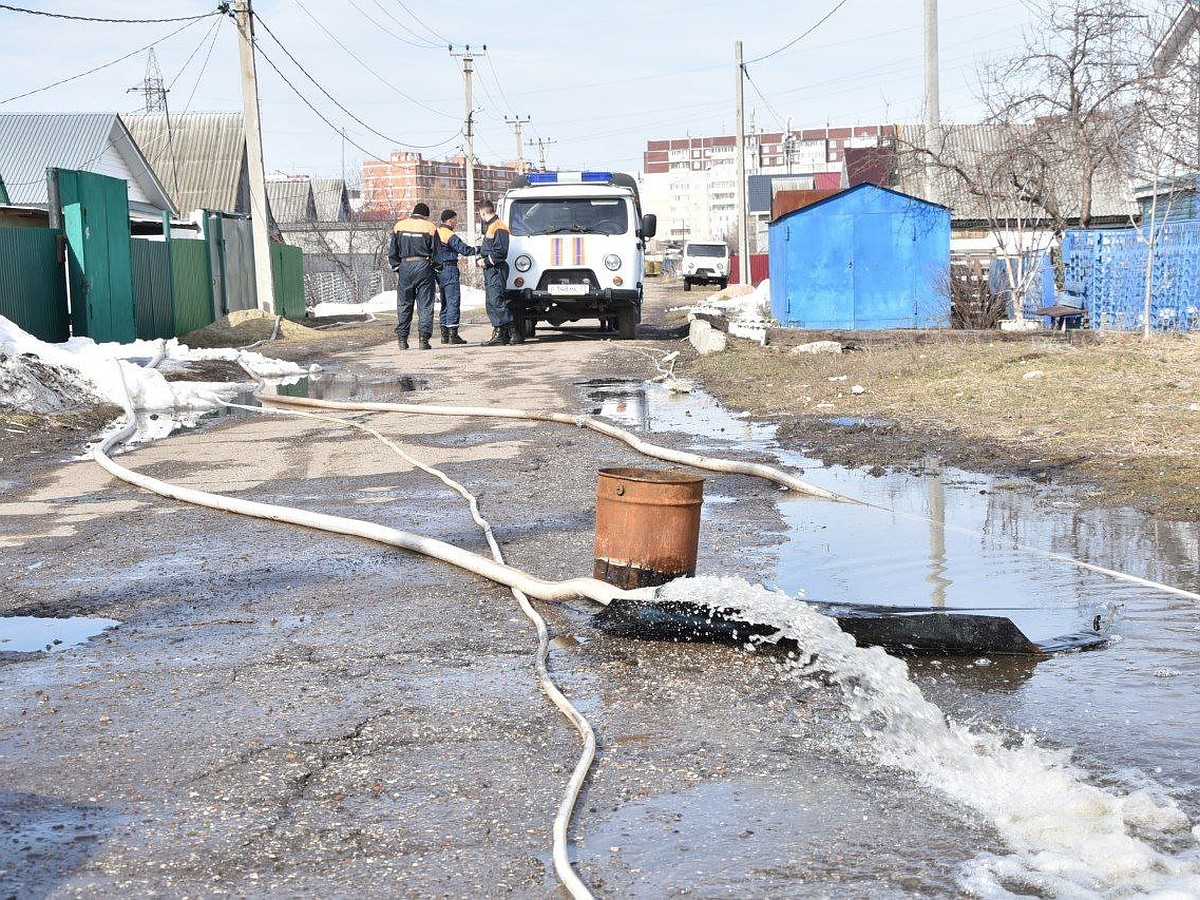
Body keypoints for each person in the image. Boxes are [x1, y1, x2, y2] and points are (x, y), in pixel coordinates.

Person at [387, 202, 440, 350]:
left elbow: (393, 250)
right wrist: (437, 268)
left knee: (404, 304)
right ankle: (423, 340)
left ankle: (402, 340)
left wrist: (397, 266)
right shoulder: (430, 227)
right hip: (424, 267)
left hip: (405, 266)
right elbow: (437, 253)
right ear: (426, 215)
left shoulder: (399, 226)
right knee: (425, 305)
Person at [477, 200, 519, 346]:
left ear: (482, 212)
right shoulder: (491, 226)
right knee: (491, 303)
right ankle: (500, 334)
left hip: (496, 268)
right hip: (491, 270)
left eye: (480, 214)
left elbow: (501, 252)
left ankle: (514, 333)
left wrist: (486, 261)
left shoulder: (498, 226)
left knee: (497, 301)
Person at [434, 209, 475, 345]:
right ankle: (453, 335)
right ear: (450, 220)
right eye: (455, 220)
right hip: (449, 269)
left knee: (445, 302)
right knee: (453, 301)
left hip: (438, 270)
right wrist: (479, 249)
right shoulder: (449, 235)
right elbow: (464, 250)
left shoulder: (436, 233)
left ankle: (444, 335)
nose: (456, 223)